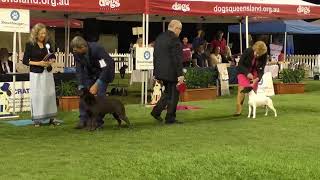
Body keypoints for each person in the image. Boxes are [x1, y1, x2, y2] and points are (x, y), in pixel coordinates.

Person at [71, 36, 115, 129]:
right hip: (90, 74)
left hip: (103, 73)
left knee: (100, 97)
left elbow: (106, 67)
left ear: (83, 47)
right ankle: (83, 120)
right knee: (84, 97)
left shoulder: (97, 49)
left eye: (76, 50)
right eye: (74, 50)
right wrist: (80, 84)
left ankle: (98, 121)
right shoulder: (76, 52)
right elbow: (79, 69)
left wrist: (97, 84)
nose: (75, 52)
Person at [22, 23, 59, 127]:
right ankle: (37, 119)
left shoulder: (47, 43)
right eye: (41, 33)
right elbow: (25, 61)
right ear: (36, 33)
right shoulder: (30, 44)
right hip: (36, 74)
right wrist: (39, 63)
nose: (43, 35)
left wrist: (51, 60)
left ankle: (51, 118)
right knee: (38, 96)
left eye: (44, 33)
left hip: (47, 72)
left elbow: (53, 55)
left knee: (50, 94)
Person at [151, 20, 184, 124]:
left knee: (168, 93)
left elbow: (155, 56)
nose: (180, 32)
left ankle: (156, 112)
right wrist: (180, 75)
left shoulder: (159, 37)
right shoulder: (174, 39)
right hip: (171, 72)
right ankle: (170, 118)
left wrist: (156, 73)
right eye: (180, 29)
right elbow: (177, 59)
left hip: (160, 71)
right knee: (174, 95)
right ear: (175, 28)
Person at [234, 41, 268, 116]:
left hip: (255, 72)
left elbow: (261, 69)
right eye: (256, 52)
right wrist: (247, 73)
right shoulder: (248, 51)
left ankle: (253, 107)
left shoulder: (264, 56)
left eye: (259, 54)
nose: (257, 55)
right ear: (254, 48)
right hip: (243, 71)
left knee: (253, 90)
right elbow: (240, 65)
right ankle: (238, 108)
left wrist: (257, 78)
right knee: (242, 89)